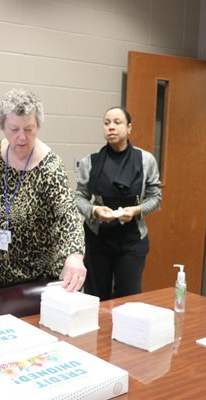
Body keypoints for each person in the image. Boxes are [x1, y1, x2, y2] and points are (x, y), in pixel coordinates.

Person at [0, 88, 86, 293]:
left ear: (38, 126)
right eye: (14, 129)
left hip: (35, 282)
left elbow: (68, 216)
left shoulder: (50, 168)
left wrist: (75, 255)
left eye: (29, 129)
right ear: (3, 126)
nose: (21, 137)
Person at [76, 106, 161, 300]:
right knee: (95, 298)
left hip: (132, 240)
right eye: (106, 123)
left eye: (117, 122)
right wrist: (94, 210)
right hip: (97, 238)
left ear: (129, 128)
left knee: (129, 299)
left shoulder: (146, 160)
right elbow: (79, 196)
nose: (111, 127)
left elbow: (155, 198)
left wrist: (137, 210)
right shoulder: (90, 161)